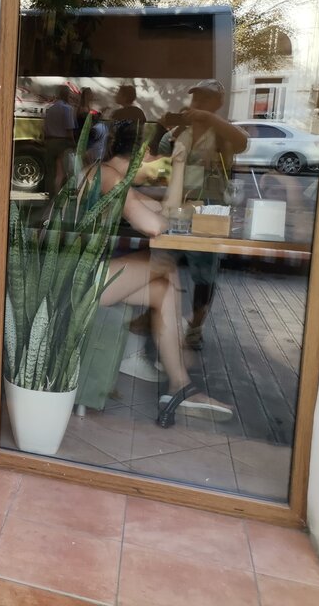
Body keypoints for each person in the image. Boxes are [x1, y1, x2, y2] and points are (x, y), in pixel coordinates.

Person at [91, 120, 233, 427]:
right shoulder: (106, 176)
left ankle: (179, 385)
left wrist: (178, 166)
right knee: (164, 264)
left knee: (164, 285)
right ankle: (175, 353)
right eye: (158, 161)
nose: (157, 170)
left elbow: (167, 213)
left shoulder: (115, 177)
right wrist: (171, 216)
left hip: (91, 277)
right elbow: (155, 225)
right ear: (144, 154)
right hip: (75, 280)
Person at [159, 79, 249, 350]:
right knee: (162, 263)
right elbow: (159, 154)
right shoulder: (181, 131)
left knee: (205, 274)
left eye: (205, 98)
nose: (197, 103)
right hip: (176, 209)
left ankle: (195, 327)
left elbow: (242, 141)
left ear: (218, 103)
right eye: (196, 97)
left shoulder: (222, 132)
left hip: (209, 209)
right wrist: (169, 127)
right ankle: (155, 316)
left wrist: (208, 118)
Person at [43, 84, 77, 192]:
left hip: (50, 142)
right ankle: (58, 194)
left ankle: (50, 193)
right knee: (62, 172)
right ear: (66, 95)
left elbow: (44, 128)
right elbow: (69, 129)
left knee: (50, 171)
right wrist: (73, 143)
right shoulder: (67, 109)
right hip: (63, 143)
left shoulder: (50, 109)